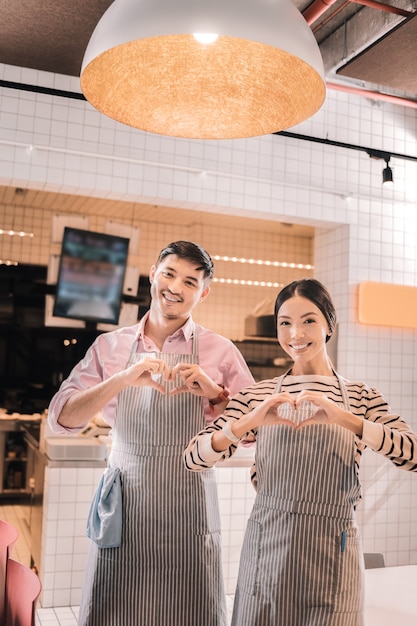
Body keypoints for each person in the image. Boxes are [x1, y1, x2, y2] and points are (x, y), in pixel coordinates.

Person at [184, 277, 417, 626]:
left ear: (328, 324)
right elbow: (193, 458)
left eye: (309, 320)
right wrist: (248, 421)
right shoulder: (256, 396)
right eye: (285, 323)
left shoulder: (361, 397)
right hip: (267, 553)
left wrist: (347, 420)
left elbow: (412, 454)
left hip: (333, 557)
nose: (296, 333)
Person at [48, 240, 254, 626]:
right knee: (114, 610)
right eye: (170, 273)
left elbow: (254, 434)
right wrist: (123, 379)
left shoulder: (221, 351)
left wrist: (215, 394)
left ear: (203, 292)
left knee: (189, 612)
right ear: (152, 276)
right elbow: (61, 419)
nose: (176, 286)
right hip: (127, 504)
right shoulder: (110, 346)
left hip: (189, 507)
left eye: (191, 281)